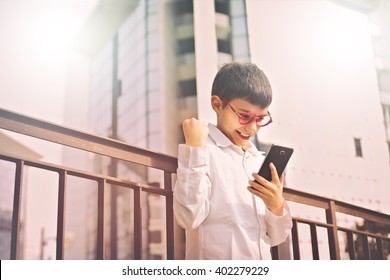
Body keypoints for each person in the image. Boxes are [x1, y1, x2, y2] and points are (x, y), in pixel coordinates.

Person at [173, 62, 293, 260]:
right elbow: (188, 218)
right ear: (217, 105)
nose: (253, 128)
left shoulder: (258, 161)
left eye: (261, 119)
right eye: (245, 116)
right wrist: (194, 149)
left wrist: (276, 206)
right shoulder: (203, 152)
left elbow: (277, 237)